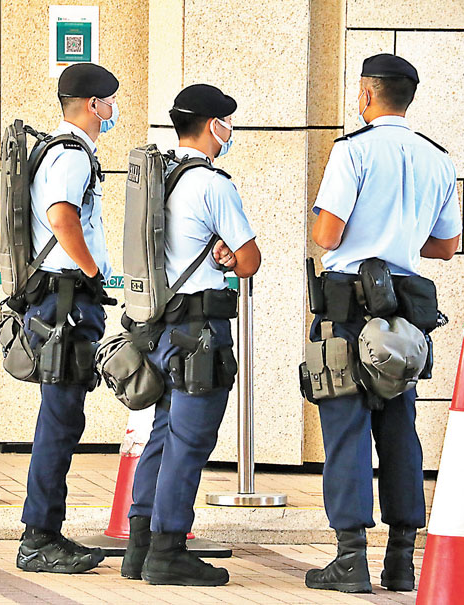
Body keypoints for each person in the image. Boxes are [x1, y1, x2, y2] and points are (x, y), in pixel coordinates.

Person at [305, 54, 461, 594]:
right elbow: (446, 245)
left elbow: (328, 235)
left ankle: (350, 559)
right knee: (399, 434)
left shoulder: (352, 151)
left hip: (348, 311)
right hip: (402, 319)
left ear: (367, 96)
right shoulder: (437, 159)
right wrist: (399, 236)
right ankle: (401, 561)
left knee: (346, 430)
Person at [120, 84, 261, 587]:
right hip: (199, 332)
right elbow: (249, 259)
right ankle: (169, 550)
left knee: (162, 433)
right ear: (212, 125)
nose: (229, 133)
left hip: (155, 327)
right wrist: (227, 251)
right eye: (227, 123)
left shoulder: (158, 177)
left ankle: (139, 547)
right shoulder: (212, 183)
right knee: (190, 441)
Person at [16, 62, 120, 574]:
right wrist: (93, 268)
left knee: (62, 419)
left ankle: (47, 531)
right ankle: (39, 538)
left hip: (60, 303)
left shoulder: (59, 150)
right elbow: (62, 216)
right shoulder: (72, 154)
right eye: (109, 101)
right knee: (59, 422)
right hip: (66, 303)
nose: (112, 110)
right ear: (92, 104)